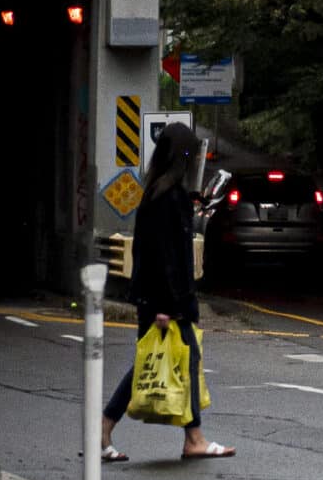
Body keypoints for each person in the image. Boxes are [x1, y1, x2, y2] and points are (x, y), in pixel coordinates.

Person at [98, 121, 235, 462]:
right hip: (168, 300)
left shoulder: (159, 194)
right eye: (189, 154)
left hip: (160, 298)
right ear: (180, 158)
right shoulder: (167, 199)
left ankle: (105, 427)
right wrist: (168, 305)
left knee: (153, 362)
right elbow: (165, 256)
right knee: (186, 360)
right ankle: (194, 439)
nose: (192, 160)